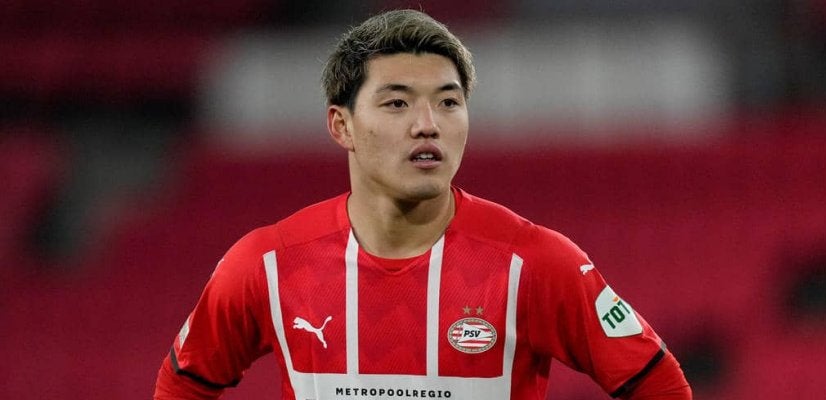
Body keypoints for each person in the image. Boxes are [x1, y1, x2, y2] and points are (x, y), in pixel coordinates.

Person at [154, 9, 691, 400]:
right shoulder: (266, 264)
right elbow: (183, 384)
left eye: (448, 102)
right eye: (397, 102)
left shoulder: (536, 264)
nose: (427, 124)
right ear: (342, 125)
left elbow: (659, 386)